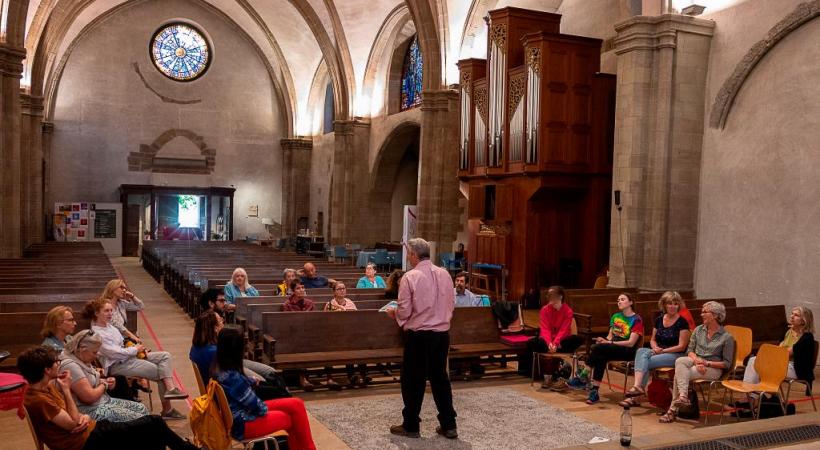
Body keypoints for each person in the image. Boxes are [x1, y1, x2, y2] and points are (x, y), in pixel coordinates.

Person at [18, 347, 201, 450]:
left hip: (91, 430)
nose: (59, 364)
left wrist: (83, 417)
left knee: (151, 429)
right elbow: (72, 423)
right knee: (153, 423)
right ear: (47, 370)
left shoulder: (46, 387)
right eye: (55, 363)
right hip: (85, 442)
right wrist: (66, 390)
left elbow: (72, 415)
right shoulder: (39, 399)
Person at [385, 238, 458, 439]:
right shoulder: (445, 274)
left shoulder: (411, 277)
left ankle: (410, 426)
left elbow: (405, 309)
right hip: (442, 335)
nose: (408, 256)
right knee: (440, 379)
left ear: (415, 255)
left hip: (420, 336)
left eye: (408, 253)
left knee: (413, 380)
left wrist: (396, 315)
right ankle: (449, 424)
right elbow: (451, 304)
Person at [84, 298, 188, 419]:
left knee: (165, 356)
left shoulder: (109, 326)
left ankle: (171, 389)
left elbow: (122, 343)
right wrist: (135, 350)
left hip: (129, 357)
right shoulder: (97, 333)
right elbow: (114, 353)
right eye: (106, 311)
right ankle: (167, 411)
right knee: (161, 373)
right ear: (97, 313)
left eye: (111, 310)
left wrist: (137, 349)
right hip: (118, 365)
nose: (110, 313)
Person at [215, 328, 317, 450]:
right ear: (236, 348)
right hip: (244, 424)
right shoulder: (232, 377)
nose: (246, 346)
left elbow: (242, 390)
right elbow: (258, 408)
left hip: (240, 416)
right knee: (291, 418)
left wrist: (250, 381)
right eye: (244, 343)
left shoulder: (221, 368)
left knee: (297, 404)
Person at [660, 301, 734, 423]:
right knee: (680, 361)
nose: (701, 314)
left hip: (713, 368)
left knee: (680, 374)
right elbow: (689, 351)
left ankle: (672, 411)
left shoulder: (727, 337)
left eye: (705, 312)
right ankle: (683, 396)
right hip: (697, 361)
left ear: (715, 315)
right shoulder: (698, 330)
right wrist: (697, 361)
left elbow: (727, 364)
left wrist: (706, 363)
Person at [59, 329, 150, 422]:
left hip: (101, 401)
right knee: (141, 420)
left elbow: (90, 382)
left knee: (142, 409)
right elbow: (89, 397)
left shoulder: (82, 357)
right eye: (94, 352)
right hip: (88, 410)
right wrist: (104, 385)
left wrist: (103, 381)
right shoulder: (70, 365)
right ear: (82, 349)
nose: (97, 355)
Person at [620, 291, 692, 407]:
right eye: (670, 303)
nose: (673, 306)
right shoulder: (659, 320)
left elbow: (682, 346)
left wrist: (662, 351)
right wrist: (655, 348)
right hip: (659, 351)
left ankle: (636, 395)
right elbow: (653, 339)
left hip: (676, 355)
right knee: (641, 351)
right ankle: (637, 388)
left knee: (644, 361)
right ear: (664, 305)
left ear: (679, 305)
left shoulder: (682, 322)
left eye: (675, 304)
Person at [742, 306, 815, 403]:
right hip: (781, 363)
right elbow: (779, 350)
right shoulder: (788, 332)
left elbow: (786, 353)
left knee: (759, 365)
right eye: (792, 313)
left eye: (796, 315)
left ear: (804, 321)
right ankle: (749, 396)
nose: (792, 316)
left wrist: (777, 352)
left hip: (796, 368)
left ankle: (750, 398)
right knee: (754, 361)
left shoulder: (807, 337)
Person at [519, 286, 583, 391]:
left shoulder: (568, 311)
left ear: (560, 296)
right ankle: (547, 377)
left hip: (561, 341)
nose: (549, 297)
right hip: (547, 340)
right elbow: (545, 329)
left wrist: (556, 343)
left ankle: (554, 367)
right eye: (548, 295)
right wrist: (549, 343)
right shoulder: (545, 310)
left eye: (552, 295)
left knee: (578, 339)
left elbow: (564, 329)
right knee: (532, 342)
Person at [583, 293, 644, 405]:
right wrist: (604, 340)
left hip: (627, 350)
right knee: (600, 355)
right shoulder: (615, 316)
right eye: (618, 300)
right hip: (612, 347)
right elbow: (610, 336)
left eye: (622, 299)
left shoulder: (636, 319)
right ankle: (594, 392)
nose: (619, 302)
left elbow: (631, 343)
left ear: (631, 302)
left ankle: (584, 374)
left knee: (597, 349)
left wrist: (609, 342)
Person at [189, 311, 277, 385]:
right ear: (215, 328)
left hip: (228, 366)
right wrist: (251, 380)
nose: (223, 323)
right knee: (262, 381)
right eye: (221, 321)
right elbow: (231, 376)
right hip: (225, 376)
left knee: (270, 371)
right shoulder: (214, 352)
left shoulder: (197, 346)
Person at [99, 279, 144, 343]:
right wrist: (132, 336)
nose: (124, 290)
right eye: (121, 287)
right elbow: (116, 324)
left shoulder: (121, 303)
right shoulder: (103, 304)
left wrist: (132, 296)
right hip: (109, 338)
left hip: (121, 338)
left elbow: (140, 307)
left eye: (125, 288)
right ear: (113, 288)